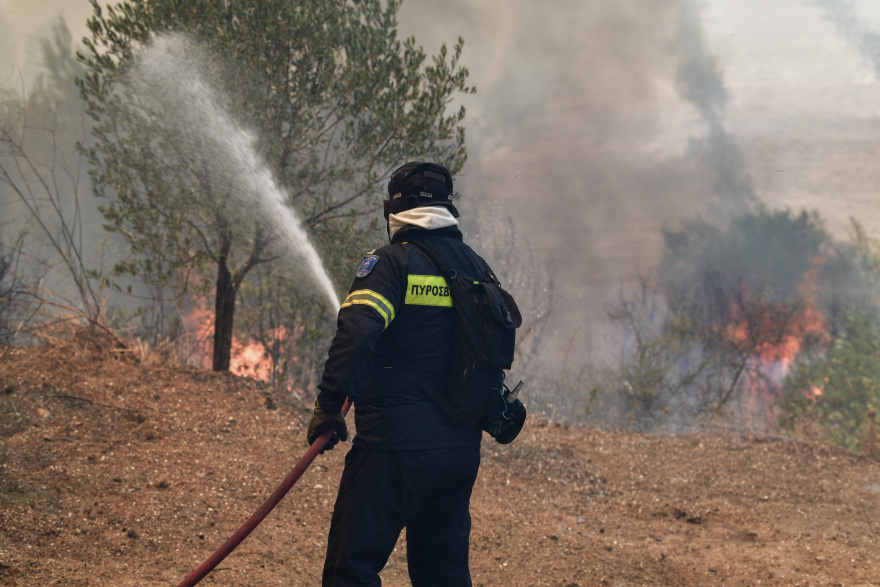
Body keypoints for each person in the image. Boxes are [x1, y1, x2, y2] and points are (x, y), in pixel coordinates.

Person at [307, 161, 498, 586]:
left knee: (350, 571)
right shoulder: (477, 270)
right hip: (458, 453)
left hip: (391, 450)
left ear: (395, 209)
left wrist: (329, 405)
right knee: (442, 575)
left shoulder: (390, 265)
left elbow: (356, 333)